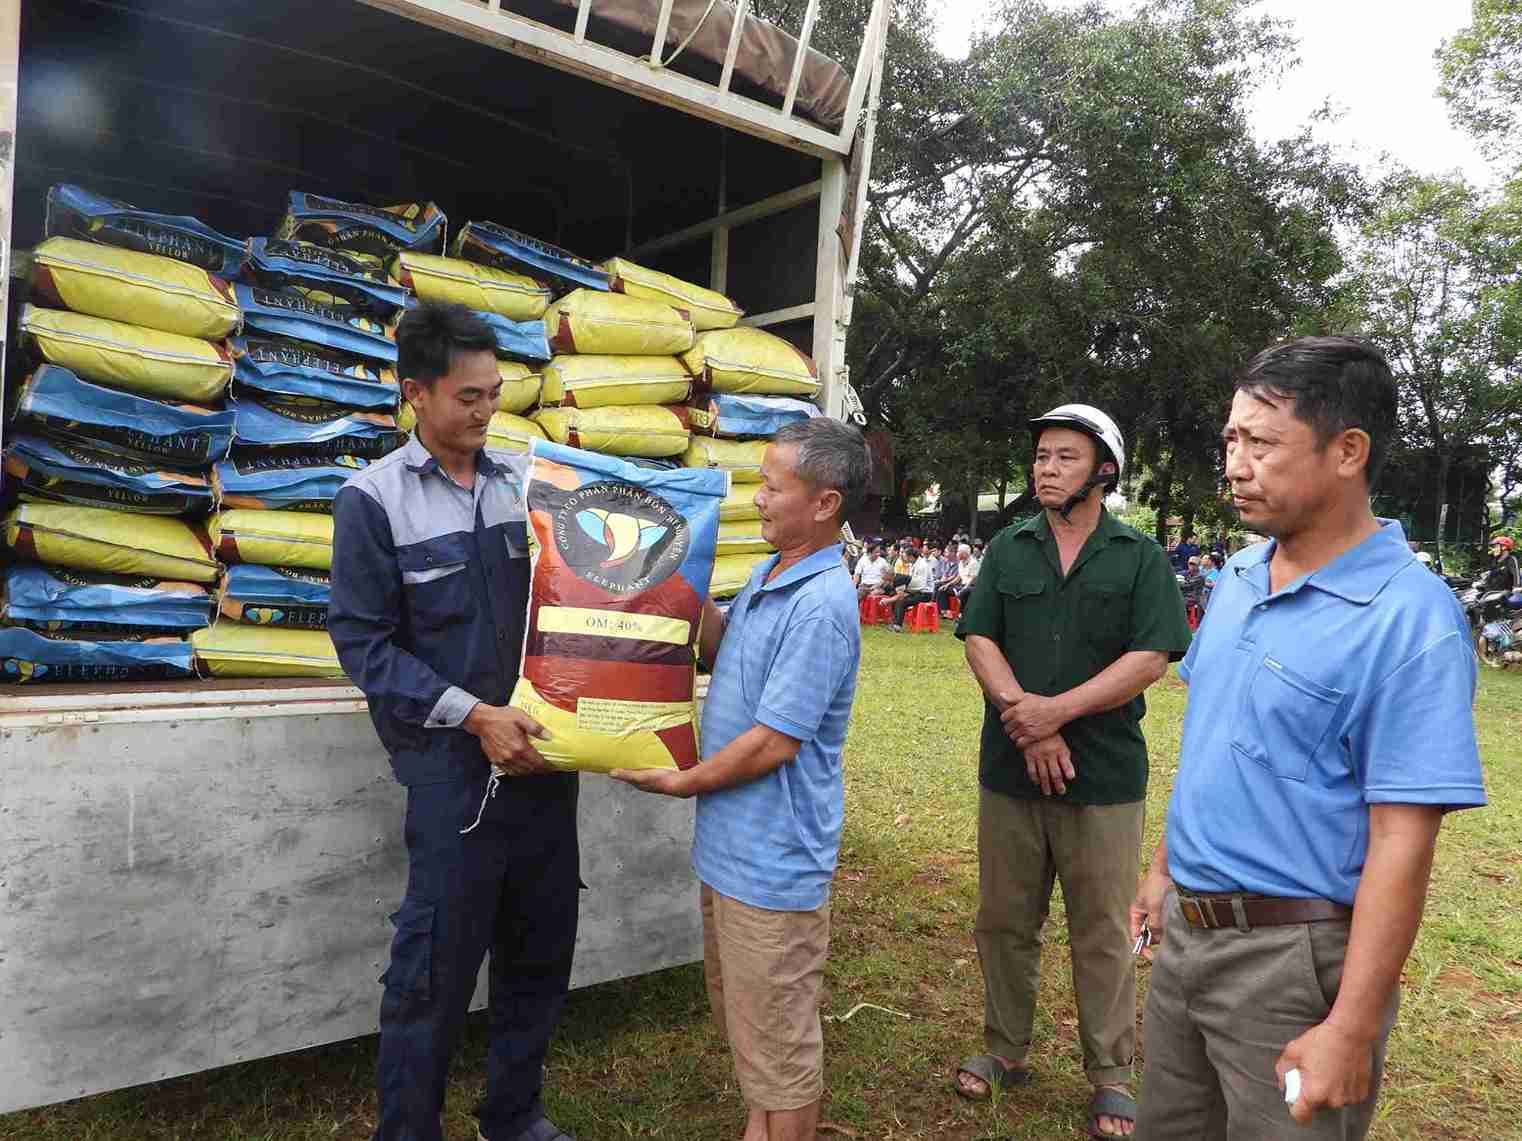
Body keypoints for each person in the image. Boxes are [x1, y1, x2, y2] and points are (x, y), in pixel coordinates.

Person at [1130, 336, 1486, 1140]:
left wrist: (1351, 1026)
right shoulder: (1237, 577)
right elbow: (1213, 743)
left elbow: (1402, 839)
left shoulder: (1410, 619)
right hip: (1187, 933)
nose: (1235, 463)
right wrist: (1163, 870)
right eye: (1230, 439)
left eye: (1261, 442)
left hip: (1293, 960)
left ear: (1348, 451)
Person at [329, 303, 579, 1141]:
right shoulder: (372, 502)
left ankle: (512, 1115)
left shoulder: (527, 488)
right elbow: (365, 647)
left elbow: (575, 604)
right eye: (468, 396)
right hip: (453, 777)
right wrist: (475, 717)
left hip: (543, 763)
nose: (485, 411)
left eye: (495, 394)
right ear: (415, 394)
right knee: (431, 970)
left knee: (539, 951)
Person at [612, 418, 868, 1141]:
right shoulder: (773, 571)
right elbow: (724, 649)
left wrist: (683, 781)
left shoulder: (822, 606)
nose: (755, 499)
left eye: (771, 486)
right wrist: (678, 585)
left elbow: (773, 743)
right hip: (732, 853)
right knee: (750, 1028)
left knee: (781, 1048)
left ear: (824, 502)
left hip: (773, 864)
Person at [952, 403, 1191, 1138]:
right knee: (1004, 918)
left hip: (1104, 778)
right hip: (1011, 770)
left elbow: (1150, 657)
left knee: (1103, 929)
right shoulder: (1009, 547)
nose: (1045, 469)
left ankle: (1110, 1074)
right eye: (1041, 457)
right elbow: (979, 636)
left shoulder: (1139, 556)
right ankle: (1005, 1048)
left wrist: (1055, 714)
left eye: (1063, 457)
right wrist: (1024, 716)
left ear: (1104, 471)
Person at [890, 543, 937, 631]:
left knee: (902, 601)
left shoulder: (922, 565)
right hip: (916, 591)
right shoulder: (913, 564)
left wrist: (906, 591)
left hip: (925, 593)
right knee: (894, 594)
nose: (903, 558)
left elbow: (920, 585)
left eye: (904, 556)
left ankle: (897, 626)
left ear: (911, 557)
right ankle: (895, 621)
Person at [934, 542, 961, 615]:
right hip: (947, 582)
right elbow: (945, 574)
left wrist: (943, 581)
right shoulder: (947, 562)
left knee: (940, 588)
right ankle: (938, 609)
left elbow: (954, 576)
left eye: (946, 552)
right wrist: (941, 581)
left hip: (956, 584)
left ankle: (942, 610)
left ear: (952, 553)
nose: (944, 554)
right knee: (937, 586)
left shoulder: (958, 563)